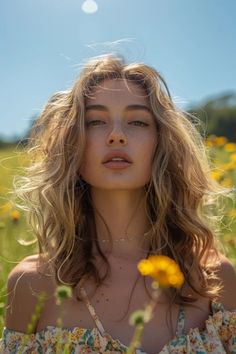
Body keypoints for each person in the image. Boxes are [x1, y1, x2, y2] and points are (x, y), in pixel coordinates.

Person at [1, 54, 236, 354]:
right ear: (72, 143)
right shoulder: (32, 286)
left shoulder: (215, 277)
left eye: (137, 121)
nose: (116, 136)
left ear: (162, 142)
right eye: (96, 121)